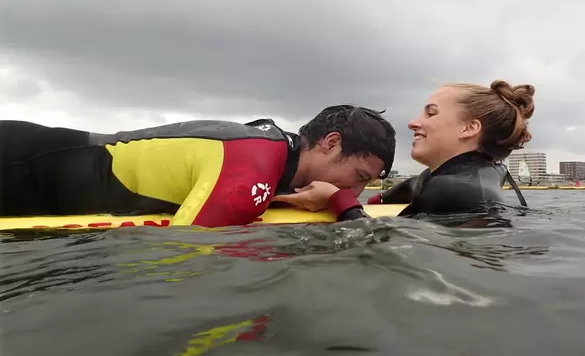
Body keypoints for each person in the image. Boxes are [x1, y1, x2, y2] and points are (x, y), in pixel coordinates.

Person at [0, 105, 395, 227]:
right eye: (359, 177)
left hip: (40, 158)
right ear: (331, 143)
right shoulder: (256, 165)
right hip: (18, 166)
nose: (355, 190)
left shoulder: (272, 152)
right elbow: (188, 255)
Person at [273, 80, 534, 221]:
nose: (413, 122)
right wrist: (366, 200)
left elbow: (378, 247)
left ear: (469, 128)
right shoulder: (471, 175)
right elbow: (412, 188)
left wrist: (335, 201)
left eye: (431, 113)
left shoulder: (457, 190)